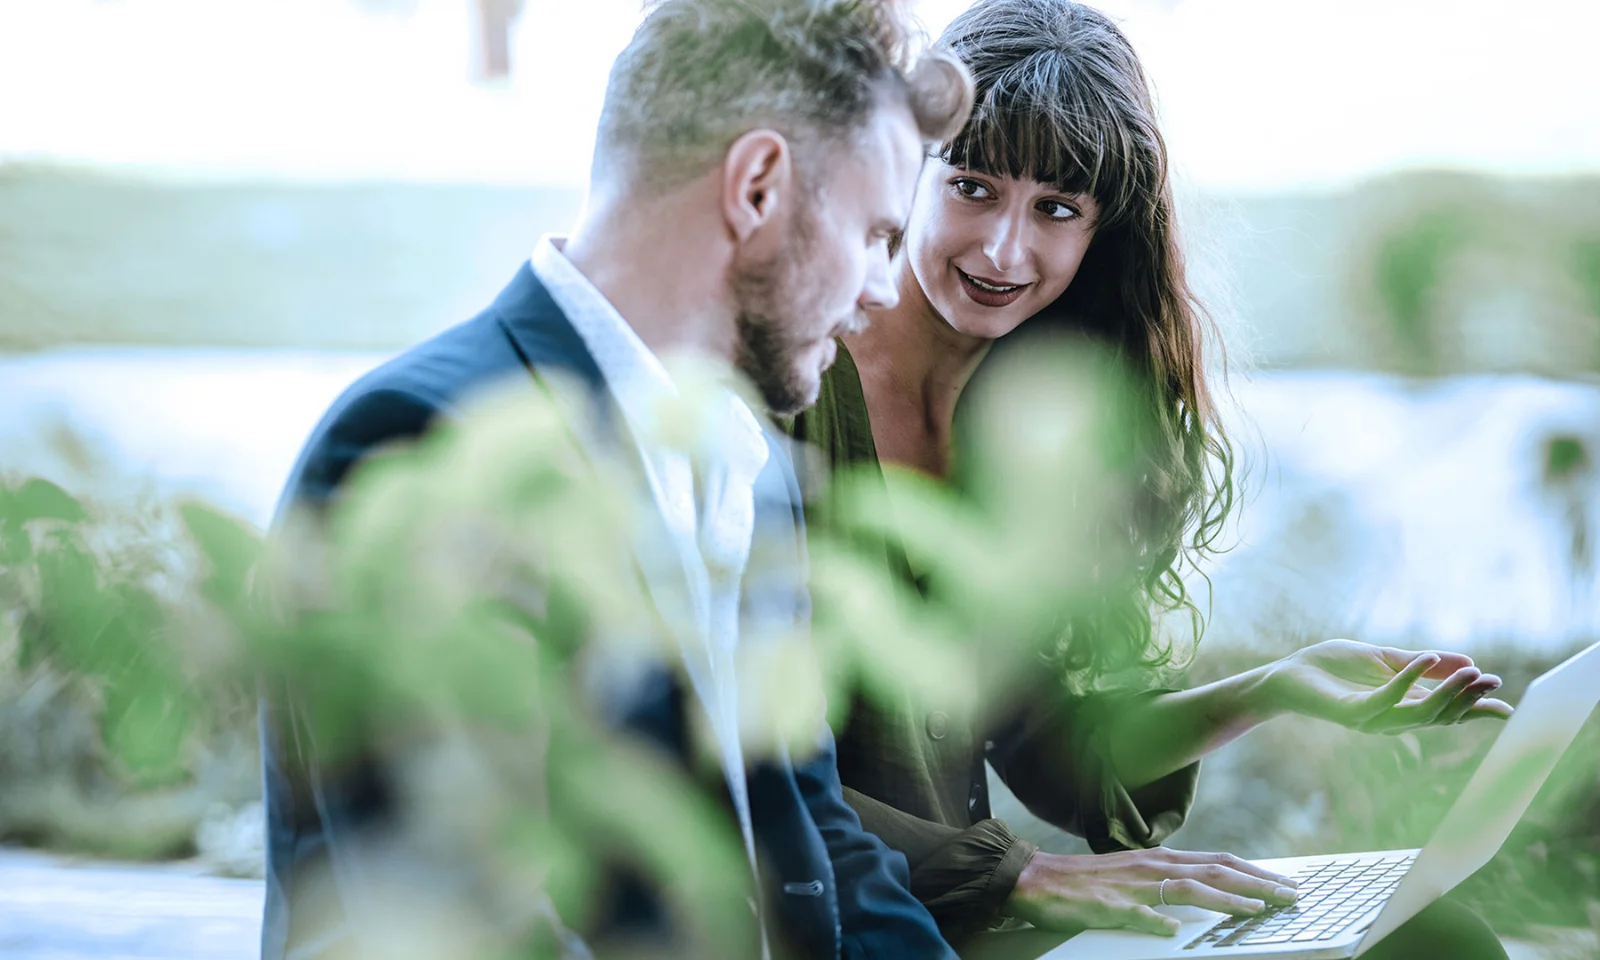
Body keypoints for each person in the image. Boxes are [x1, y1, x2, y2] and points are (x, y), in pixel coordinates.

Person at [785, 2, 1512, 958]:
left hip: (980, 921)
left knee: (1428, 934)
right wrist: (1024, 875)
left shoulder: (1027, 425)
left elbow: (1055, 752)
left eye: (1056, 209)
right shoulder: (794, 390)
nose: (1006, 251)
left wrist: (1275, 688)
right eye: (971, 186)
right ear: (906, 170)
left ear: (1100, 234)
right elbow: (733, 762)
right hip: (847, 929)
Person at [258, 1, 976, 957]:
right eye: (875, 233)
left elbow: (819, 847)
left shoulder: (749, 471)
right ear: (758, 186)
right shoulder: (429, 443)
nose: (885, 287)